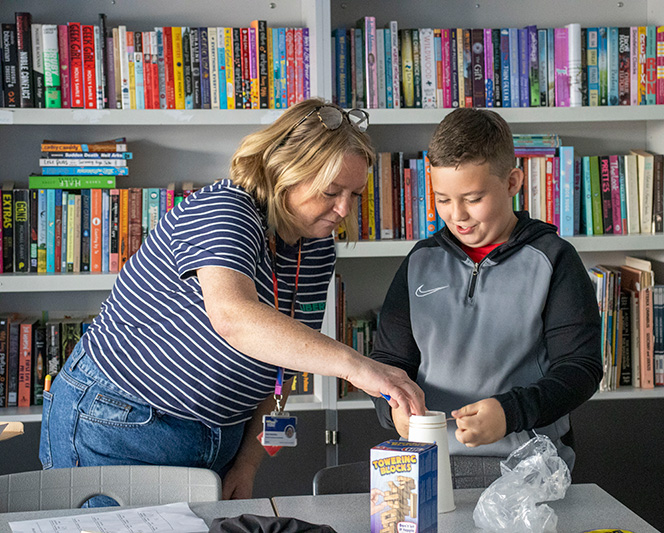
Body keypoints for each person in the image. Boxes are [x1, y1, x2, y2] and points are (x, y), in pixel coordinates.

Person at [39, 98, 426, 503]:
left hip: (219, 437)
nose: (344, 209)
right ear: (284, 172)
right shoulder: (226, 208)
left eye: (354, 194)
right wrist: (357, 367)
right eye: (331, 191)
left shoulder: (316, 248)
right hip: (122, 423)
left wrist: (248, 462)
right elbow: (235, 318)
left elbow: (287, 358)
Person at [370, 108, 602, 470]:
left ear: (512, 182)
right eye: (443, 199)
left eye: (473, 198)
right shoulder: (420, 261)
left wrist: (512, 413)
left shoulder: (555, 260)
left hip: (528, 467)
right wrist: (391, 407)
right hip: (427, 462)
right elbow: (389, 363)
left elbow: (580, 369)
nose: (457, 215)